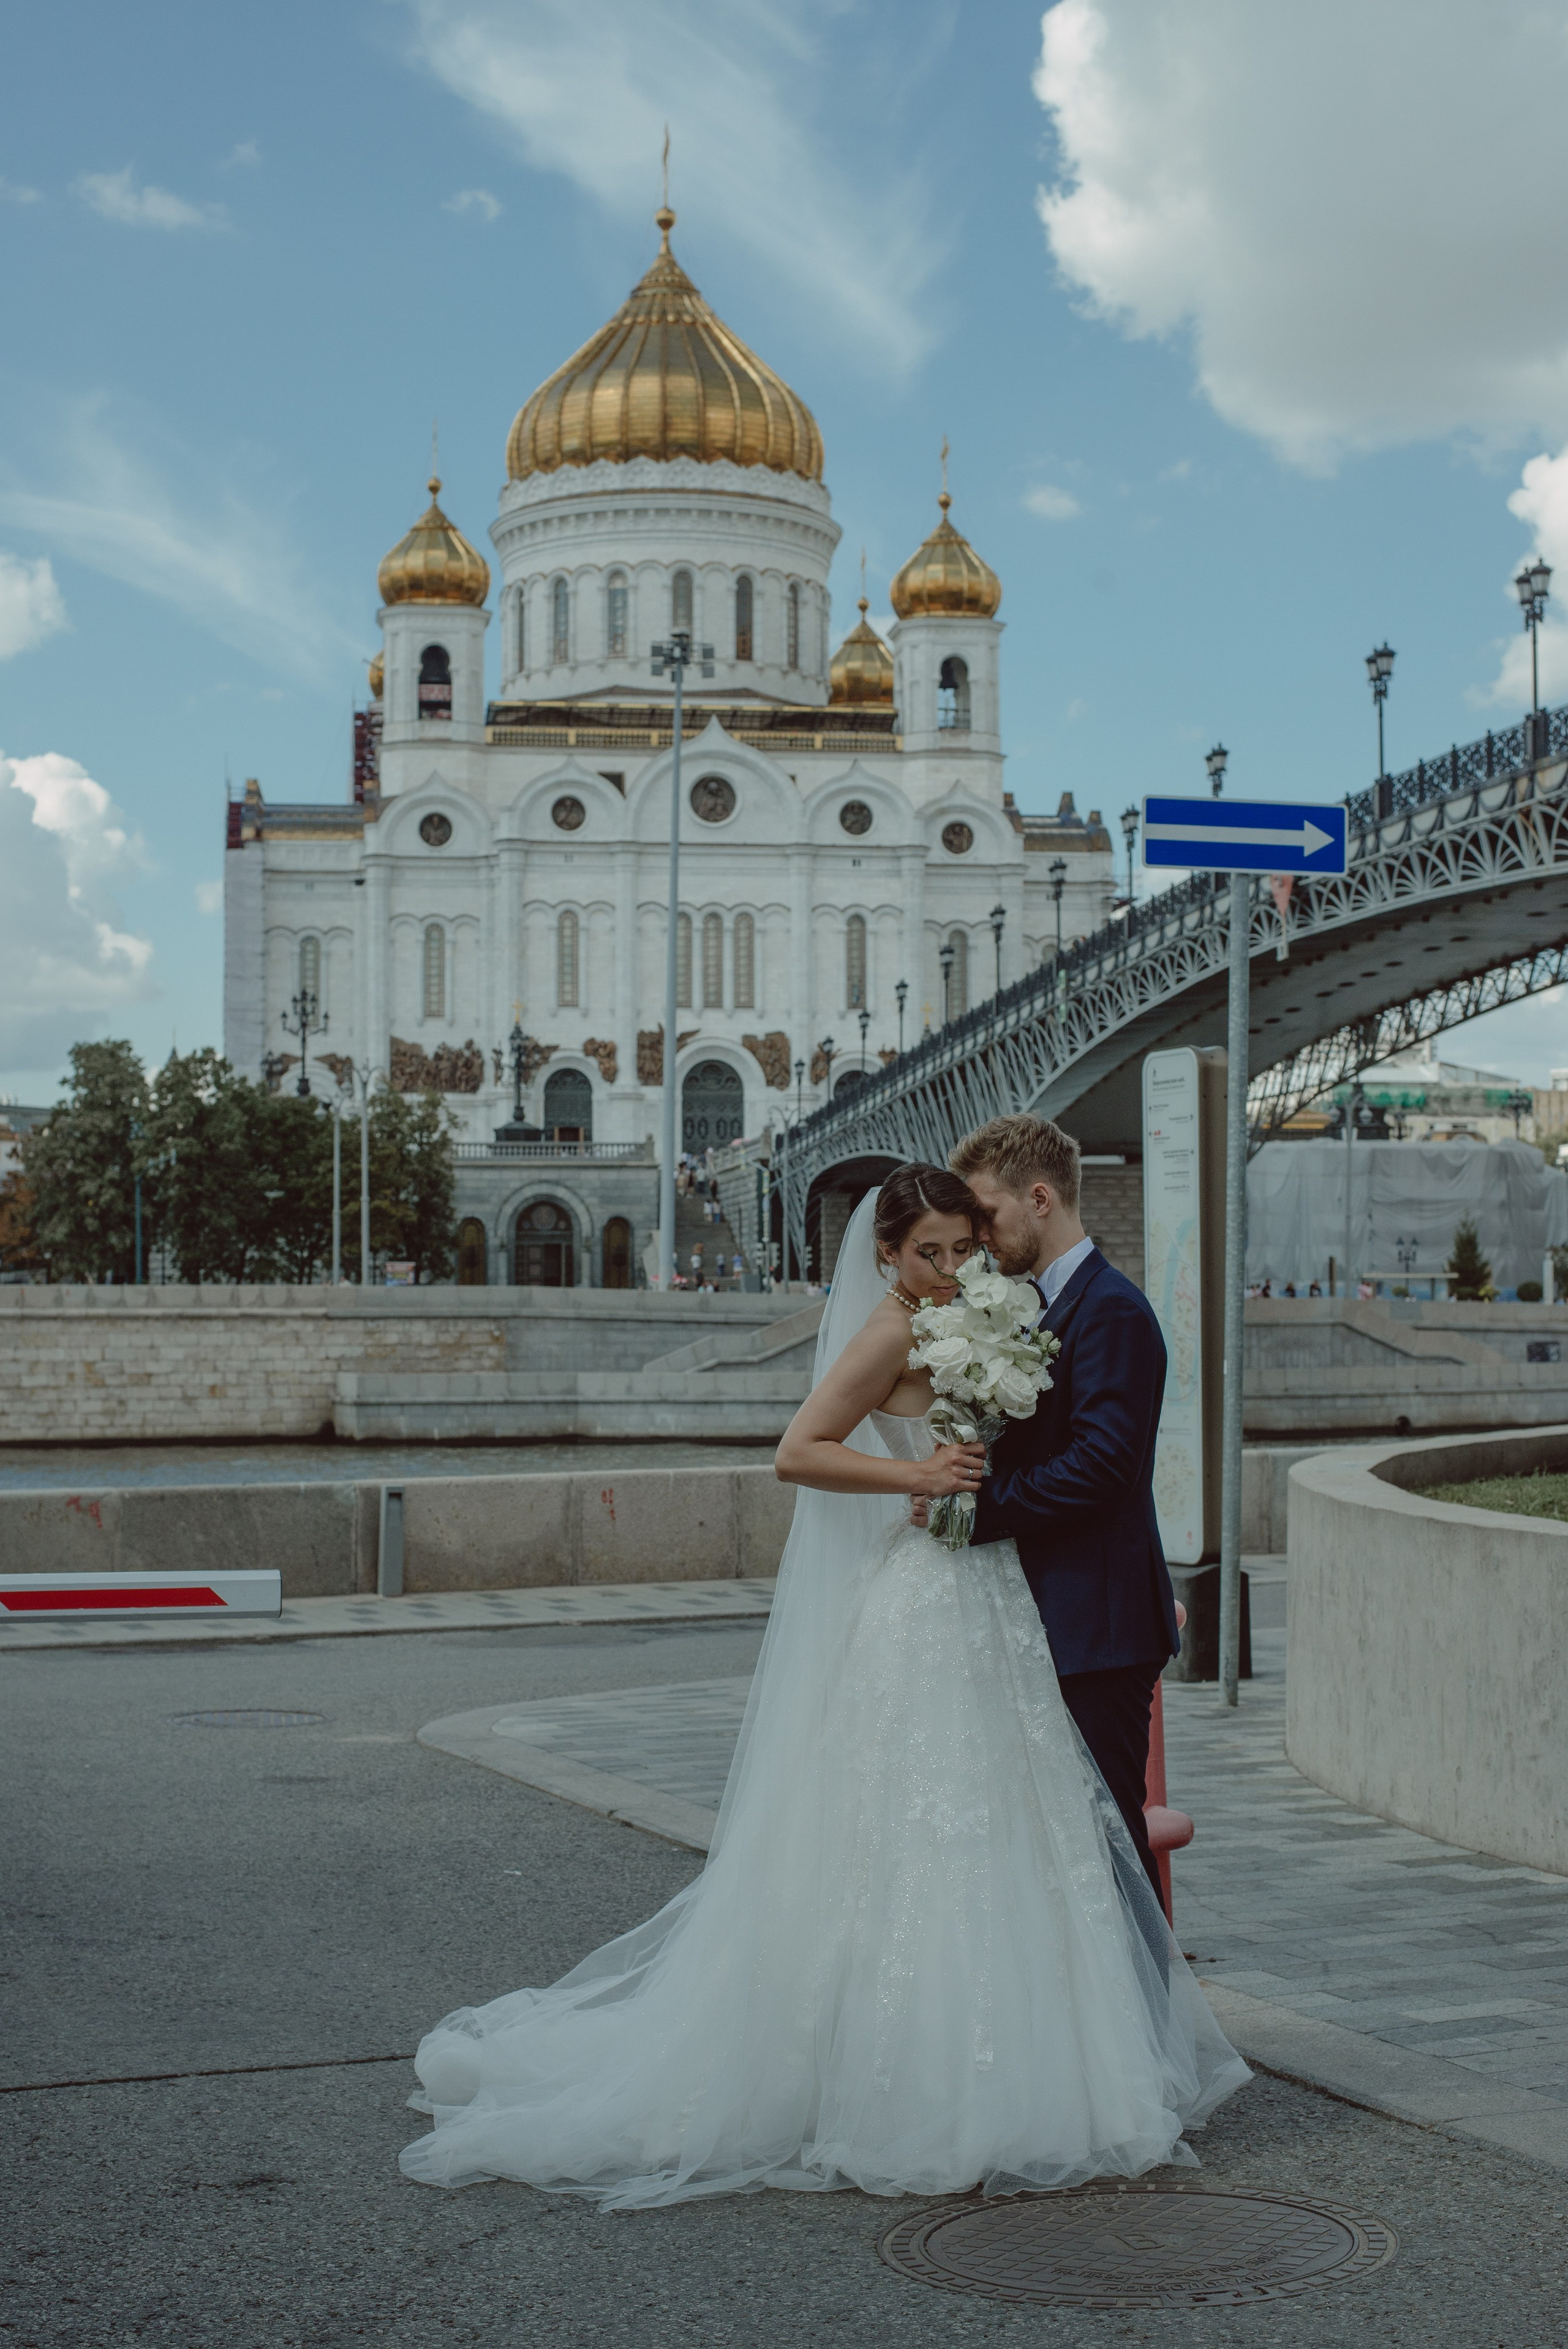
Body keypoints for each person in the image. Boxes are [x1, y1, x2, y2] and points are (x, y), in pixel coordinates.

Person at [398, 1164, 1246, 2206]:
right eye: (926, 1252)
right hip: (932, 1591)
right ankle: (915, 2079)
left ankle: (1052, 2064)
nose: (948, 1268)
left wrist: (973, 1475)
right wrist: (918, 1477)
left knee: (1017, 1826)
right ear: (885, 1255)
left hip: (995, 1597)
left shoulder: (988, 1312)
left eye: (961, 1249)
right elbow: (799, 1449)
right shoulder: (893, 1329)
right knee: (915, 1828)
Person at [946, 1114, 1179, 1901]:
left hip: (1098, 1625)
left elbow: (1101, 1468)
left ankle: (1145, 2022)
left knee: (1108, 1840)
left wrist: (978, 1508)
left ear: (1039, 1198)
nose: (979, 1235)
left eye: (988, 1214)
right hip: (1056, 1616)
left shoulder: (1111, 1309)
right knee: (1063, 1844)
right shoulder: (1030, 1304)